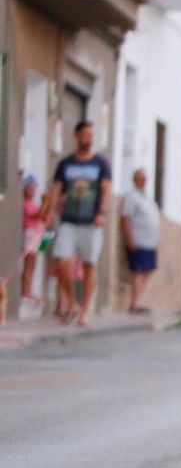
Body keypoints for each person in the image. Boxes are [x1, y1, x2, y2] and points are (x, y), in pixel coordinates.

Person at [51, 120, 112, 326]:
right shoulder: (65, 164)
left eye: (91, 134)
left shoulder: (101, 164)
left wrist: (102, 212)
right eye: (85, 134)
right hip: (68, 220)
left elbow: (106, 190)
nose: (89, 138)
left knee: (89, 265)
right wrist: (50, 212)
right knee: (61, 262)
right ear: (76, 136)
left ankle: (85, 310)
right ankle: (72, 302)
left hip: (91, 222)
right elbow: (56, 190)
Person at [120, 168, 161, 314]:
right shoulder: (131, 197)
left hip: (150, 241)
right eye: (140, 178)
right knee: (138, 271)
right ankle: (134, 304)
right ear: (135, 180)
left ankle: (139, 301)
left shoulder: (148, 197)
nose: (143, 181)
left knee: (147, 271)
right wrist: (130, 238)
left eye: (144, 179)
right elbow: (125, 218)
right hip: (139, 240)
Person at [19, 174, 46, 303]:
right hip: (30, 234)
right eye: (31, 188)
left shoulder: (32, 203)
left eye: (34, 188)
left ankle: (29, 290)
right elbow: (37, 215)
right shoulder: (26, 204)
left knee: (33, 264)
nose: (33, 190)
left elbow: (43, 216)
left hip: (36, 234)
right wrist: (44, 203)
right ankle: (25, 292)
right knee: (29, 264)